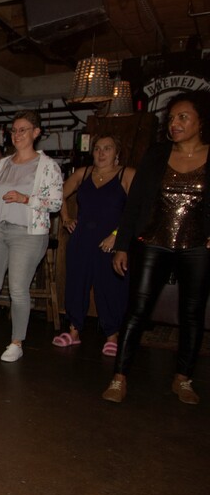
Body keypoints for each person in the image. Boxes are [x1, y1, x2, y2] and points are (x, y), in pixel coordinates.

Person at [102, 90, 210, 405]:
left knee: (192, 314)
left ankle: (183, 378)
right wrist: (123, 245)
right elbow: (134, 203)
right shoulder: (156, 155)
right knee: (137, 310)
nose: (175, 123)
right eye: (172, 117)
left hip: (197, 247)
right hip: (153, 243)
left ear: (201, 121)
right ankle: (119, 377)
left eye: (183, 117)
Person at [0, 110, 63, 362]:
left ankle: (17, 342)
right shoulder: (3, 164)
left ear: (36, 132)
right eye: (14, 130)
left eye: (23, 130)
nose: (17, 135)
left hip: (28, 233)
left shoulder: (47, 166)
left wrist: (25, 198)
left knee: (18, 289)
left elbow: (55, 203)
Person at [53, 135, 135, 355]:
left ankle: (112, 335)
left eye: (107, 148)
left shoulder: (127, 174)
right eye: (97, 148)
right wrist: (66, 218)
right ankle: (73, 331)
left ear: (117, 153)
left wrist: (117, 235)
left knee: (110, 286)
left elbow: (137, 209)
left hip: (111, 240)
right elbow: (57, 194)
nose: (101, 152)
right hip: (82, 238)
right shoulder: (83, 173)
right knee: (76, 283)